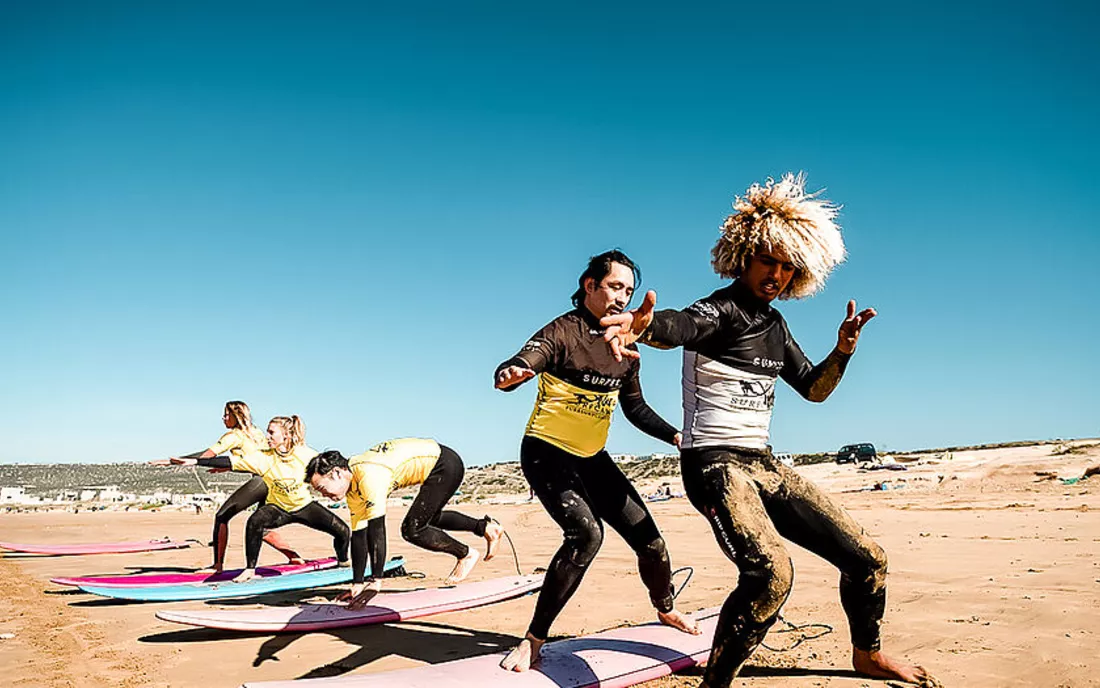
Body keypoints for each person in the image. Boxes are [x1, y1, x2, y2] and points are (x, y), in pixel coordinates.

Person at [601, 174, 938, 687]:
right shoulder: (720, 309)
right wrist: (646, 326)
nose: (776, 274)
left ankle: (867, 655)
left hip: (762, 463)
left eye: (787, 267)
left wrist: (843, 349)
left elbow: (814, 389)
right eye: (768, 261)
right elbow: (681, 326)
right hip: (713, 465)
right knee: (770, 576)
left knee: (868, 559)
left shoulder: (776, 327)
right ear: (743, 257)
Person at [494, 249, 700, 673]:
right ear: (590, 286)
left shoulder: (624, 342)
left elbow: (635, 408)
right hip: (546, 453)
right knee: (586, 535)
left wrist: (675, 435)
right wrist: (514, 373)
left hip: (592, 457)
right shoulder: (563, 332)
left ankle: (665, 608)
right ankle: (533, 640)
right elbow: (521, 361)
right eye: (614, 286)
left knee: (651, 541)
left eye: (629, 289)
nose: (622, 296)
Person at [306, 438, 504, 608]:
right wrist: (357, 583)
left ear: (337, 473)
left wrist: (376, 581)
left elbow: (377, 531)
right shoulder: (353, 489)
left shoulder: (368, 475)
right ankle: (486, 528)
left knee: (412, 529)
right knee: (428, 518)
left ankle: (466, 554)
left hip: (445, 463)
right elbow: (360, 536)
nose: (323, 494)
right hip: (437, 465)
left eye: (323, 488)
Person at [169, 415, 350, 583]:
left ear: (286, 435)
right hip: (278, 508)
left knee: (343, 531)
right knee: (255, 521)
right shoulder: (263, 457)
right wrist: (196, 462)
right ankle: (250, 569)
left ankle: (342, 563)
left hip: (304, 506)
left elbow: (329, 466)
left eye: (271, 432)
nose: (267, 436)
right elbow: (229, 461)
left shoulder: (305, 454)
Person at [150, 400, 302, 572]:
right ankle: (294, 557)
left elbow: (206, 457)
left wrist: (173, 461)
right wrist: (227, 466)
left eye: (226, 414)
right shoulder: (258, 433)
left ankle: (217, 565)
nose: (223, 418)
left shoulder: (233, 436)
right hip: (275, 480)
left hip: (260, 481)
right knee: (262, 527)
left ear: (235, 416)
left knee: (222, 516)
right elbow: (251, 459)